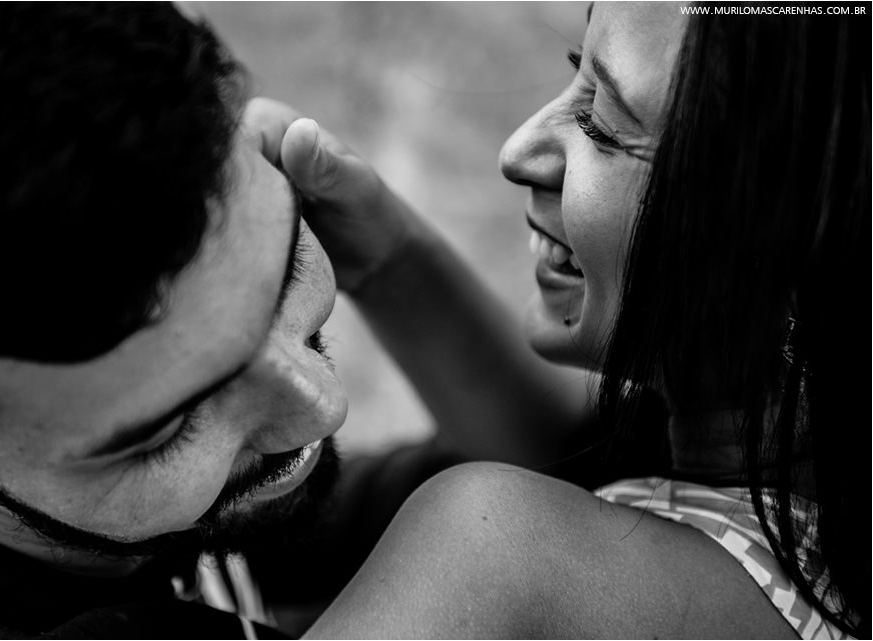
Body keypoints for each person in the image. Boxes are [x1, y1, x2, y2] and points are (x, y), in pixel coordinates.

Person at [0, 4, 592, 637]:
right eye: (167, 432)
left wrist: (392, 259)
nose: (321, 408)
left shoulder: (117, 514)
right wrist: (501, 551)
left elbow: (577, 468)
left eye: (285, 271)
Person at [246, 3, 868, 638]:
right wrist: (387, 262)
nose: (518, 150)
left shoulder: (492, 561)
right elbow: (571, 451)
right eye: (577, 73)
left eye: (600, 125)